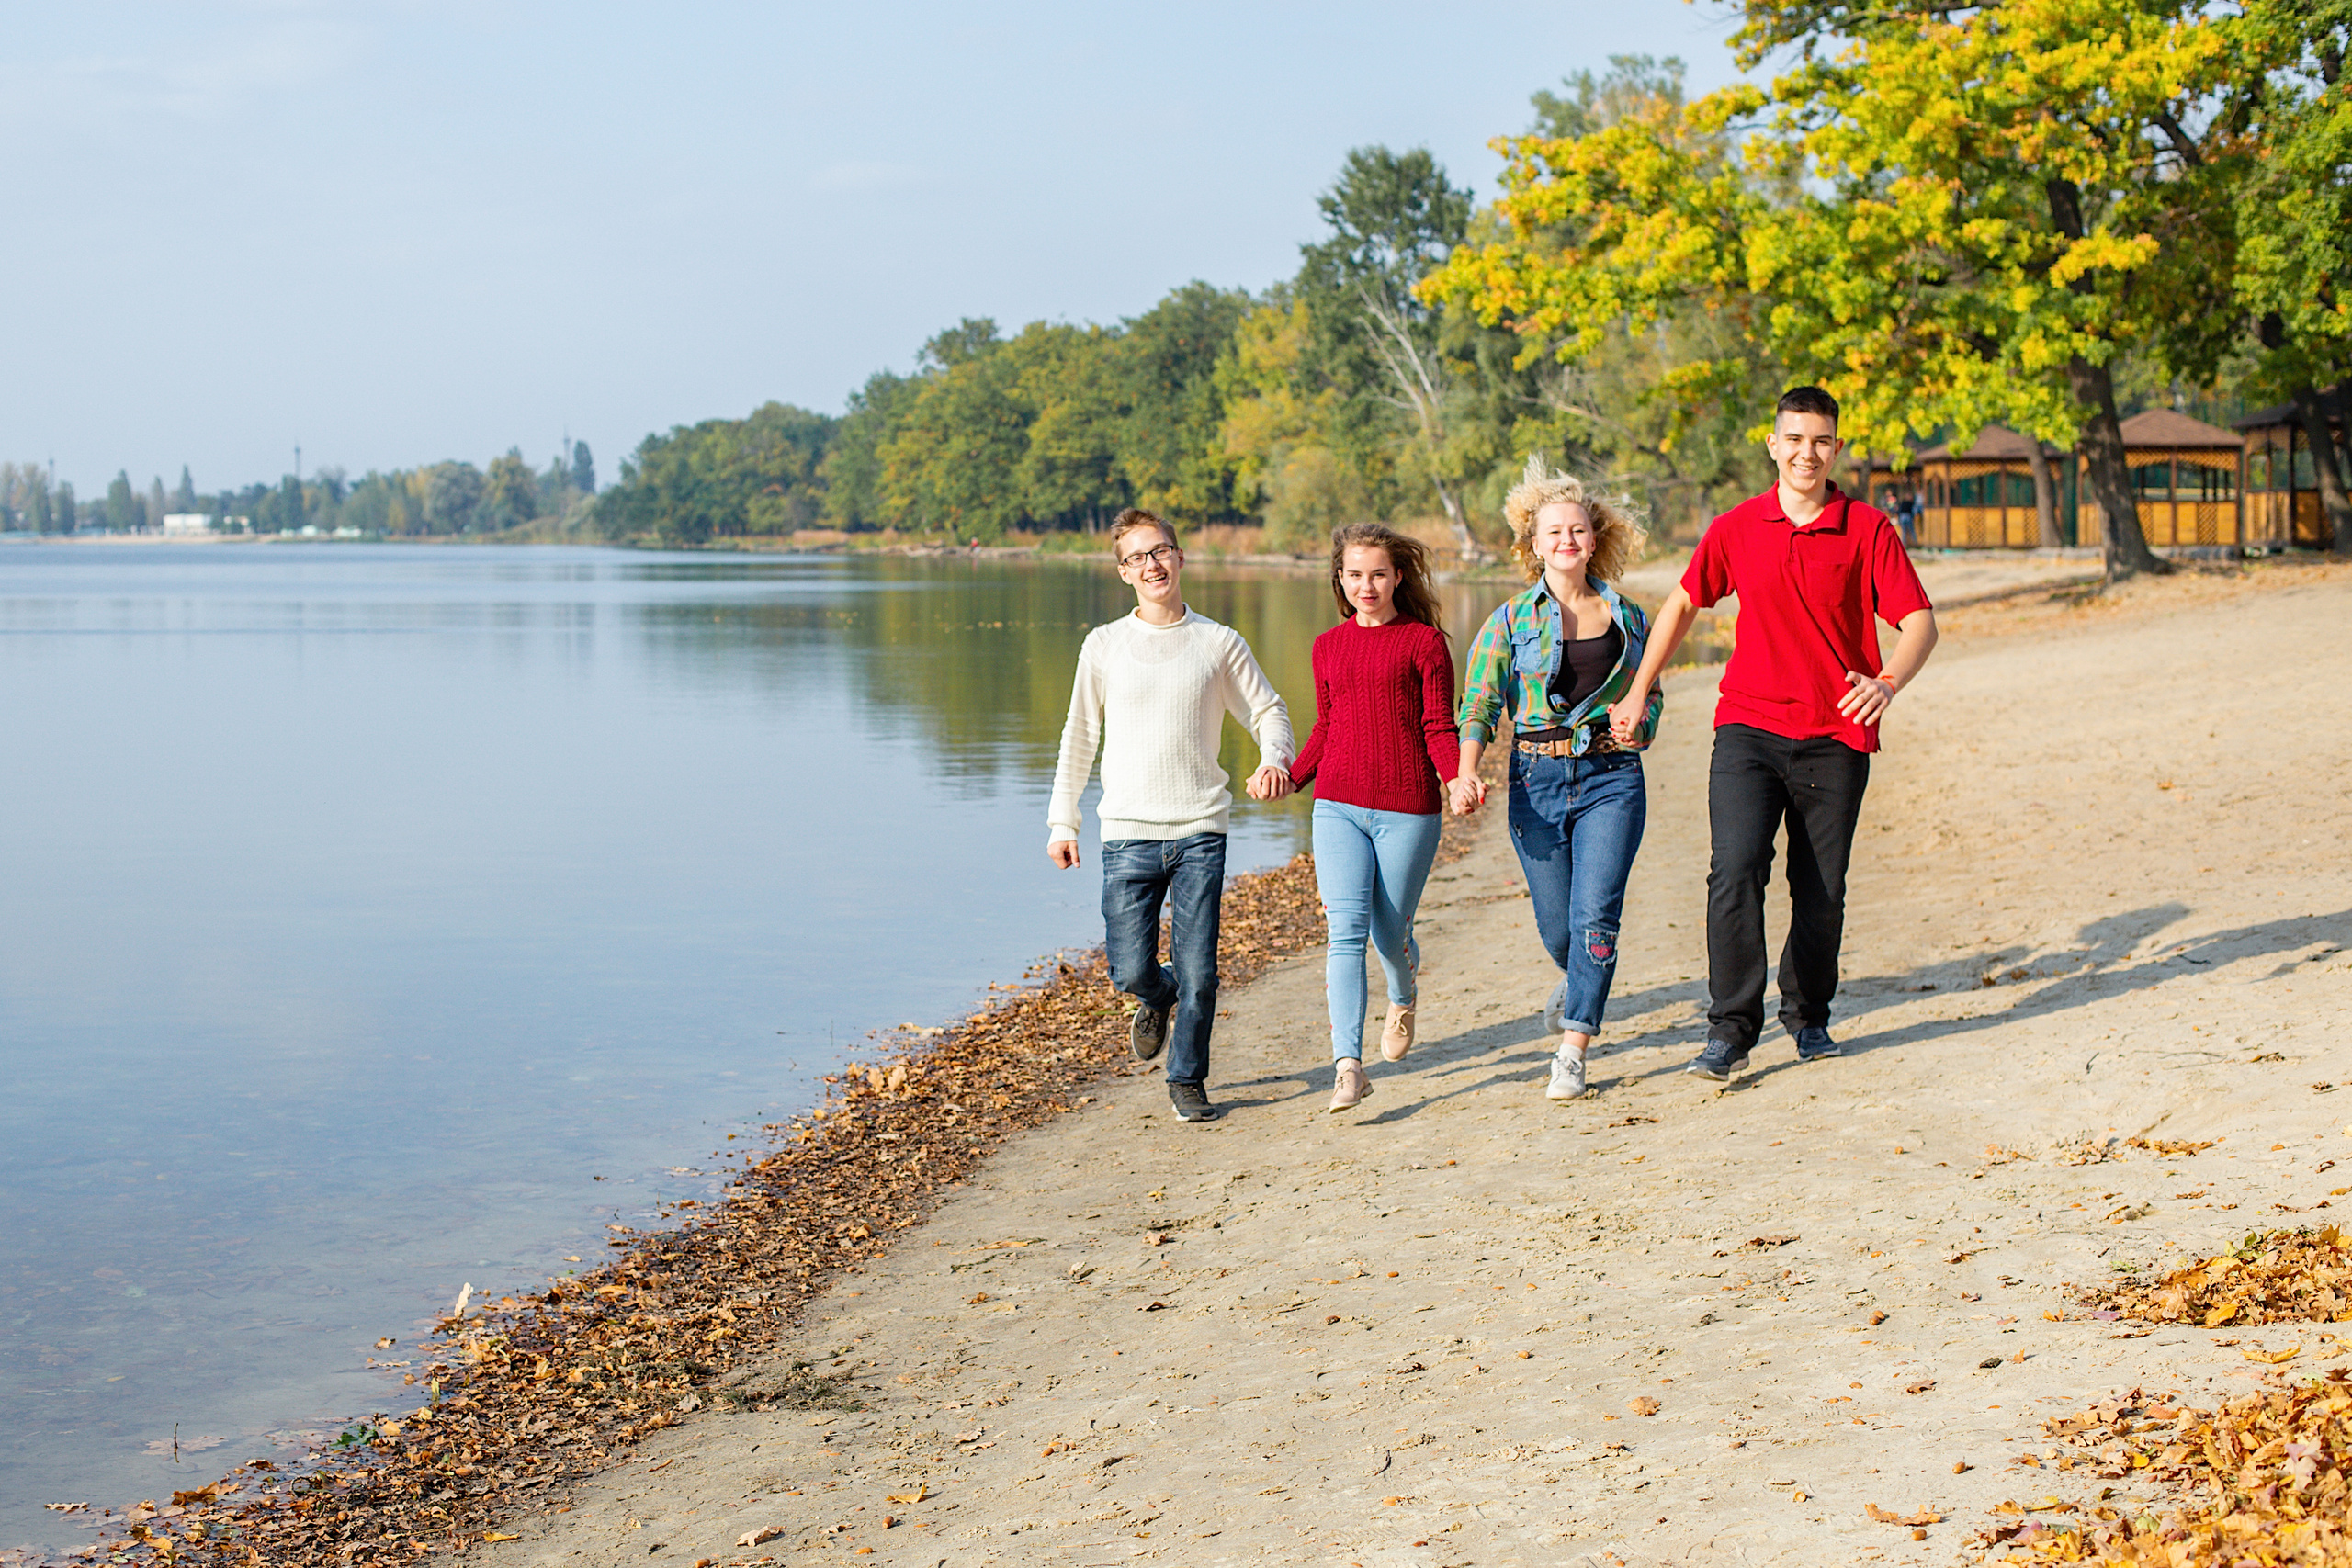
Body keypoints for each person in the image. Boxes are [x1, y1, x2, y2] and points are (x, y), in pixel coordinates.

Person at [1607, 386, 1939, 1080]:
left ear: (1836, 448)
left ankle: (1809, 1016)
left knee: (1820, 887)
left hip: (1836, 733)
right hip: (1748, 728)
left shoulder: (1868, 529)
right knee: (1734, 869)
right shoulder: (1736, 527)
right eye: (1794, 439)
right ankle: (1729, 1029)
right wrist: (1638, 687)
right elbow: (1681, 604)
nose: (1806, 453)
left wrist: (1886, 682)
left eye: (1820, 440)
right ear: (1772, 443)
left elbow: (1918, 623)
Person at [1046, 508, 1295, 1123]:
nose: (1151, 564)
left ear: (1180, 558)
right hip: (1127, 832)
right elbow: (1079, 733)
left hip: (1199, 830)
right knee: (1130, 967)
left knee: (1202, 971)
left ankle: (1188, 1078)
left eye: (1159, 551)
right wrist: (1063, 821)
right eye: (1136, 557)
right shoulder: (1104, 645)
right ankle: (1155, 996)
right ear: (1123, 572)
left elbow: (1269, 712)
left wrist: (1274, 759)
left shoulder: (1217, 642)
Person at [1454, 455, 1663, 1101]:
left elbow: (1649, 697)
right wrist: (1465, 773)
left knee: (1596, 916)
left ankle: (1573, 1047)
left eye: (1577, 530)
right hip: (1536, 783)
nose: (1566, 541)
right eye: (1553, 532)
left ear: (1594, 539)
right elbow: (1481, 703)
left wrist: (1640, 724)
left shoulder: (1628, 617)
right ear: (1534, 544)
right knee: (1559, 928)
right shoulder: (1510, 621)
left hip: (1611, 778)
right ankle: (1577, 979)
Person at [1285, 524, 1460, 1113]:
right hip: (1337, 804)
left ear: (1398, 577)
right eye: (1355, 574)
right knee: (1345, 931)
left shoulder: (1424, 643)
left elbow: (1439, 725)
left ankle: (1404, 992)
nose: (1367, 585)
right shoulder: (1326, 646)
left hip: (1408, 808)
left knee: (1391, 929)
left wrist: (1456, 776)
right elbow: (1326, 727)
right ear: (1340, 578)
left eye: (1378, 574)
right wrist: (1290, 775)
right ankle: (1348, 1068)